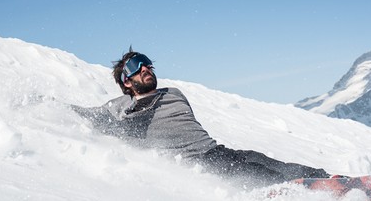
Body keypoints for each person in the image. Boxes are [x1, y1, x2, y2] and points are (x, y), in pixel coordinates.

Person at [70, 50, 332, 188]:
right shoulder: (122, 108)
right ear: (126, 81)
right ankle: (308, 194)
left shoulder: (173, 93)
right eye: (137, 66)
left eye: (148, 63)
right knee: (259, 174)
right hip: (199, 164)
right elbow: (91, 117)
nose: (146, 68)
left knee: (274, 163)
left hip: (217, 151)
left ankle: (332, 179)